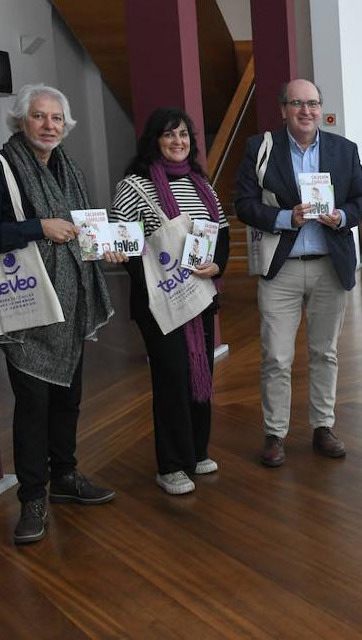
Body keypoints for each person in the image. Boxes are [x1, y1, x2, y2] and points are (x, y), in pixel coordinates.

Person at [0, 83, 115, 545]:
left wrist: (106, 248)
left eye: (56, 119)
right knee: (33, 406)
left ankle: (65, 477)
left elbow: (84, 230)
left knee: (68, 398)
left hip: (73, 302)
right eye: (39, 116)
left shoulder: (69, 167)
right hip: (30, 307)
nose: (49, 125)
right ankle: (32, 497)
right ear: (20, 120)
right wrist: (37, 228)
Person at [235, 79, 362, 466]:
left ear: (320, 108)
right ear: (283, 110)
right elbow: (243, 203)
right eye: (297, 103)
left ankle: (322, 426)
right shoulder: (260, 148)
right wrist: (284, 217)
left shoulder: (344, 150)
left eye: (312, 103)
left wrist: (343, 216)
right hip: (281, 268)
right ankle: (275, 433)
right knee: (276, 357)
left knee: (324, 352)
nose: (306, 111)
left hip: (330, 265)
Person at [110, 108, 229, 495]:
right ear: (154, 140)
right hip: (159, 303)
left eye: (184, 135)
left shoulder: (201, 183)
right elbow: (125, 244)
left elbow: (221, 235)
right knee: (173, 377)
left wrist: (217, 266)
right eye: (169, 135)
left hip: (200, 296)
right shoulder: (133, 186)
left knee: (201, 373)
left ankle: (196, 451)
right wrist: (157, 283)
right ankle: (171, 465)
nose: (178, 141)